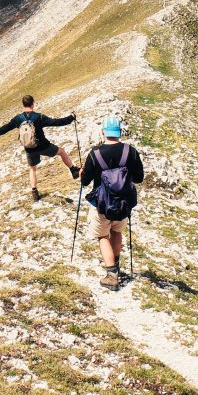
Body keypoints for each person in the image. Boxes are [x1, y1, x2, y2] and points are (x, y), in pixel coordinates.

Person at [80, 115, 144, 291]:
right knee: (116, 231)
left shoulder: (95, 153)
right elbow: (139, 178)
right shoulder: (130, 151)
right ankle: (116, 265)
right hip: (124, 203)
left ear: (103, 132)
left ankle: (111, 275)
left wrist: (82, 174)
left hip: (101, 204)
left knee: (102, 236)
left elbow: (85, 181)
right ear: (119, 132)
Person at [0, 95, 79, 201]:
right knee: (61, 152)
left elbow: (5, 128)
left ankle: (34, 192)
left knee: (32, 169)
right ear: (33, 103)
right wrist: (71, 118)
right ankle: (73, 170)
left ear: (23, 105)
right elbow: (56, 122)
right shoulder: (39, 117)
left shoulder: (18, 119)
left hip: (29, 148)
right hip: (43, 146)